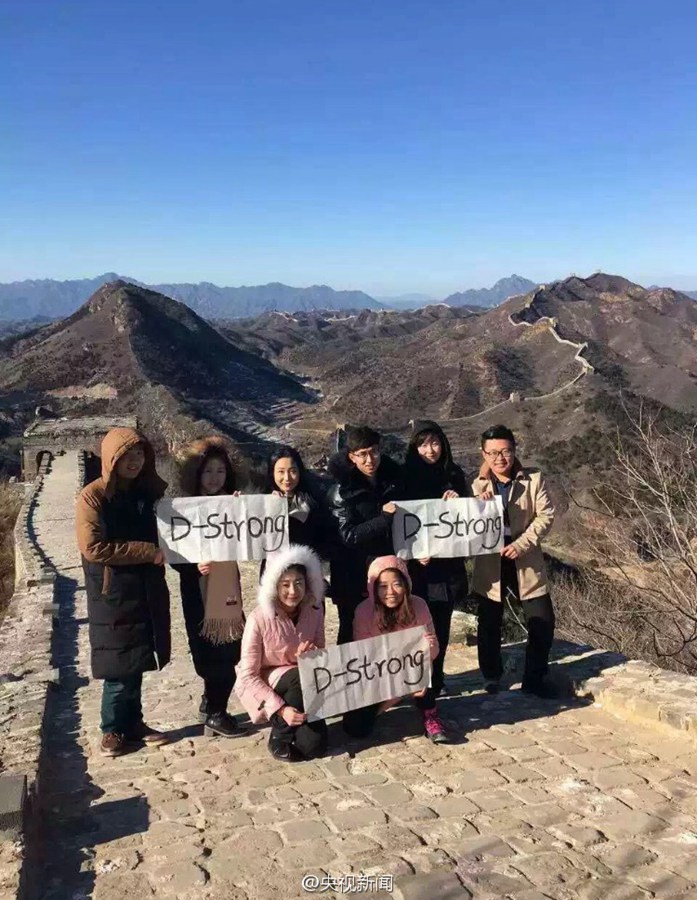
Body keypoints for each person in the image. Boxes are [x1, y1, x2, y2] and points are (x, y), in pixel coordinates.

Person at [76, 427, 171, 758]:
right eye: (127, 456)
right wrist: (147, 552)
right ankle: (111, 729)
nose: (134, 462)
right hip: (112, 591)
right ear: (111, 459)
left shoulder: (145, 495)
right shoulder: (93, 497)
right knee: (119, 664)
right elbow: (93, 547)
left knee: (138, 657)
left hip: (144, 587)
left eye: (139, 455)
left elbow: (183, 520)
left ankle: (133, 722)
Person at [471, 425, 556, 698]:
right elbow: (464, 520)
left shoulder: (534, 479)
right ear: (483, 454)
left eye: (505, 451)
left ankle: (534, 678)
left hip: (525, 558)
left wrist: (522, 544)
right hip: (490, 561)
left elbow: (545, 516)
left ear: (514, 451)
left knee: (542, 619)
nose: (500, 458)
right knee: (489, 621)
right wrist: (477, 504)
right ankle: (491, 676)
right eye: (493, 453)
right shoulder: (476, 484)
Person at [174, 437, 247, 737]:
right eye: (208, 472)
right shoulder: (182, 511)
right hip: (197, 591)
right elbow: (172, 552)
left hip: (228, 588)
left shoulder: (231, 505)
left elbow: (250, 539)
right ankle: (216, 712)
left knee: (230, 650)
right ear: (196, 474)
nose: (214, 478)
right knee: (207, 650)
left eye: (220, 471)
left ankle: (211, 703)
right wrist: (193, 567)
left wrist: (244, 510)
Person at [235, 545, 328, 761]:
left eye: (299, 583)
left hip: (303, 683)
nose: (293, 591)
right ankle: (279, 735)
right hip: (266, 680)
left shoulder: (315, 610)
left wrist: (312, 654)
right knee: (298, 676)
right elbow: (248, 674)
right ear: (274, 586)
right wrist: (281, 710)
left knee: (314, 747)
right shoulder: (258, 618)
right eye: (285, 584)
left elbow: (321, 651)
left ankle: (297, 724)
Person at [342, 556, 447, 743]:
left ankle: (430, 713)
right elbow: (364, 656)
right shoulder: (363, 611)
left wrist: (428, 650)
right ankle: (385, 702)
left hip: (412, 670)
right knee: (355, 728)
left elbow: (435, 649)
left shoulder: (419, 605)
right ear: (373, 587)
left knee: (424, 663)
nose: (390, 592)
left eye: (397, 584)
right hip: (377, 675)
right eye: (382, 586)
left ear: (406, 584)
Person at [403, 420, 469, 698]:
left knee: (441, 625)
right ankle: (416, 680)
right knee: (416, 627)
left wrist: (460, 500)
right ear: (414, 447)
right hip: (418, 568)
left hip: (447, 567)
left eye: (435, 443)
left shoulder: (454, 474)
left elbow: (468, 519)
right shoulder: (406, 478)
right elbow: (401, 522)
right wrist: (415, 554)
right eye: (423, 444)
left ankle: (437, 678)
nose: (430, 450)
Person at [327, 425, 404, 644]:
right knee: (352, 634)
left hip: (385, 572)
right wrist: (383, 520)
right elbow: (348, 536)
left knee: (386, 633)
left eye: (374, 452)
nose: (370, 460)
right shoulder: (341, 492)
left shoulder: (392, 481)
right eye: (362, 455)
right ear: (352, 457)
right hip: (352, 576)